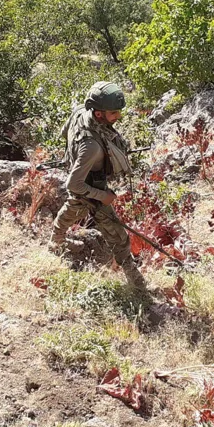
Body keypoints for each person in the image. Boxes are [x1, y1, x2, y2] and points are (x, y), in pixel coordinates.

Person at [50, 81, 147, 290]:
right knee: (118, 235)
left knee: (73, 208)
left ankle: (56, 241)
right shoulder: (91, 147)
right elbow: (73, 184)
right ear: (98, 114)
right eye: (113, 113)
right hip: (90, 187)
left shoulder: (80, 112)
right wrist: (103, 196)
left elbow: (65, 132)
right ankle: (135, 280)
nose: (118, 116)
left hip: (84, 176)